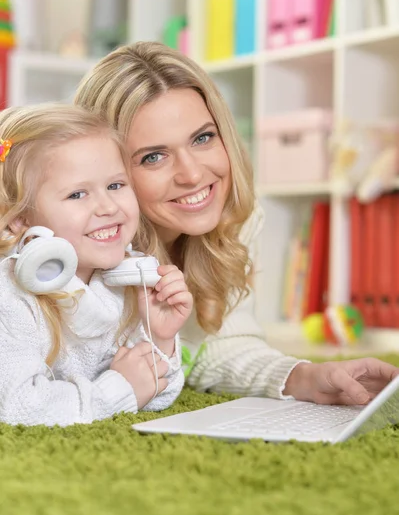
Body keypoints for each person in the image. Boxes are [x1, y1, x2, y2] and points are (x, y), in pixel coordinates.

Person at [75, 41, 399, 407]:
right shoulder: (79, 250)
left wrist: (303, 377)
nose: (193, 173)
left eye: (203, 138)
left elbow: (219, 345)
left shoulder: (232, 218)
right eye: (153, 157)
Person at [0, 103, 192, 427]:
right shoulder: (12, 298)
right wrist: (119, 390)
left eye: (116, 185)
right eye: (77, 194)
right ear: (20, 220)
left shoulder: (118, 282)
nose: (107, 206)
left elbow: (154, 394)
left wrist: (159, 339)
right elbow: (17, 407)